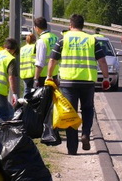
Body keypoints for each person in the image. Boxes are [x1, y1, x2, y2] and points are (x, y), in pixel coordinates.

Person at [47, 14, 110, 155]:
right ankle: (86, 133)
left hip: (68, 82)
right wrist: (105, 78)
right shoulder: (91, 39)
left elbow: (52, 60)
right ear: (83, 25)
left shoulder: (63, 39)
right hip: (87, 81)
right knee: (87, 109)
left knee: (71, 113)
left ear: (70, 25)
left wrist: (50, 76)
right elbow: (102, 61)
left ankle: (72, 148)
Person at [33, 17, 59, 88]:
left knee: (44, 98)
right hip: (55, 74)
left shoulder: (42, 40)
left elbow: (40, 62)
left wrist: (36, 78)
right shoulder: (56, 37)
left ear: (37, 28)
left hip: (44, 76)